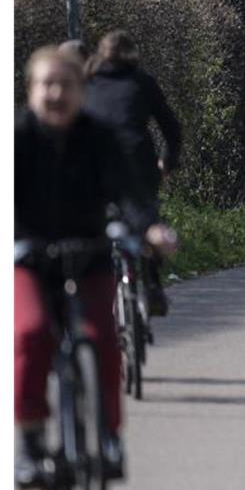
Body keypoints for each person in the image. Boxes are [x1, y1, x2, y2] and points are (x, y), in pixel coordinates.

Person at [15, 46, 178, 488]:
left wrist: (150, 230)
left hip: (88, 256)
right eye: (47, 84)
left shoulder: (98, 136)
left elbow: (128, 193)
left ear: (81, 91)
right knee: (30, 334)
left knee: (102, 339)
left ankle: (107, 436)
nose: (56, 94)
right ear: (30, 90)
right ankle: (29, 442)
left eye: (65, 85)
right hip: (27, 258)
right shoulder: (16, 136)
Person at [82, 30, 182, 318]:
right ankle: (151, 285)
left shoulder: (87, 83)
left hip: (96, 164)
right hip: (139, 162)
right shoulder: (142, 82)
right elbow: (171, 127)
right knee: (146, 219)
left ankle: (93, 284)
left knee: (95, 221)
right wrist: (168, 161)